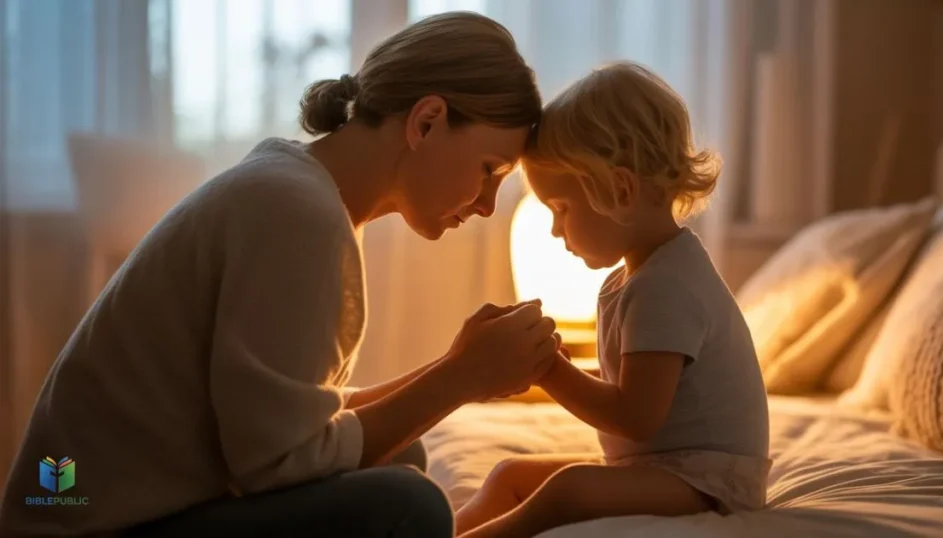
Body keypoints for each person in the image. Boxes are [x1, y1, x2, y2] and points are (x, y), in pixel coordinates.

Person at [0, 12, 556, 538]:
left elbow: (290, 420)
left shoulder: (299, 191)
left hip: (119, 504)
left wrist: (456, 368)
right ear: (427, 120)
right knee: (410, 506)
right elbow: (279, 463)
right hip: (92, 524)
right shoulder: (297, 214)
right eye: (490, 171)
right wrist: (458, 378)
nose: (487, 204)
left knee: (403, 450)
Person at [454, 62, 773, 538]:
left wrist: (550, 370)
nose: (556, 230)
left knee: (569, 490)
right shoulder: (642, 273)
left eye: (561, 209)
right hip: (669, 467)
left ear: (619, 190)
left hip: (707, 482)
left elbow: (635, 417)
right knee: (509, 476)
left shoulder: (666, 286)